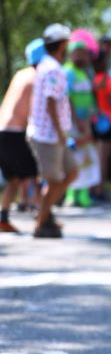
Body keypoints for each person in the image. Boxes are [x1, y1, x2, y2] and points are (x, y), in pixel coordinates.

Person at [26, 24, 77, 238]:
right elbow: (50, 101)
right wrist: (59, 132)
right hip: (48, 135)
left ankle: (45, 215)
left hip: (54, 133)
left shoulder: (47, 65)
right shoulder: (53, 69)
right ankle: (42, 222)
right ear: (63, 44)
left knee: (72, 172)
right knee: (55, 180)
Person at [0, 39, 45, 233]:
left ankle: (3, 217)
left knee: (14, 178)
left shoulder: (21, 74)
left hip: (3, 130)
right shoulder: (37, 77)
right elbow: (35, 110)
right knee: (33, 174)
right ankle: (43, 217)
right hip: (15, 132)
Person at [64, 39, 97, 208]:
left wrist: (91, 116)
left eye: (84, 53)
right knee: (73, 157)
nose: (82, 57)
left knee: (86, 158)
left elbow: (88, 97)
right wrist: (77, 120)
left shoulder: (84, 73)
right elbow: (67, 98)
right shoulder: (68, 72)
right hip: (73, 124)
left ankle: (83, 193)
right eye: (78, 53)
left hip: (85, 122)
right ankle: (71, 194)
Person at [91, 47, 111, 202]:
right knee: (103, 158)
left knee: (96, 157)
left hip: (95, 120)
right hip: (107, 121)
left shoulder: (92, 78)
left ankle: (95, 187)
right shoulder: (106, 79)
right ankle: (99, 188)